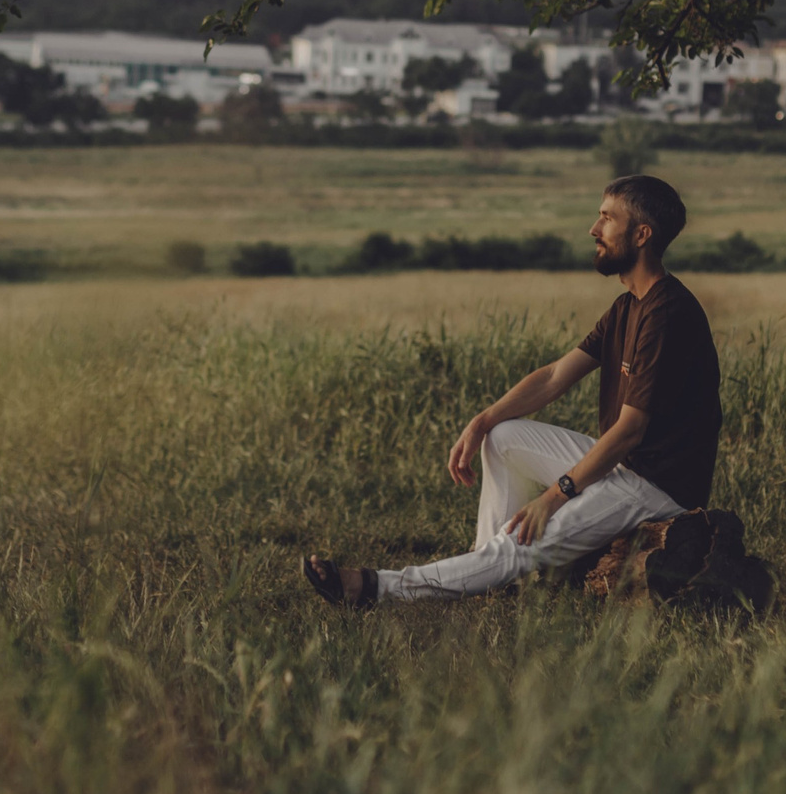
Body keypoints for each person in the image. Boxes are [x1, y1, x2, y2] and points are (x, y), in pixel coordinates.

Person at [304, 174, 723, 606]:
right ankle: (491, 578)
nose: (593, 230)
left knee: (524, 539)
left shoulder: (667, 314)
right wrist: (482, 421)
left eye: (606, 218)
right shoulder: (627, 306)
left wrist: (555, 496)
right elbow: (556, 375)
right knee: (503, 437)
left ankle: (373, 588)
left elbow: (630, 431)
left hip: (656, 487)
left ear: (641, 234)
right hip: (625, 467)